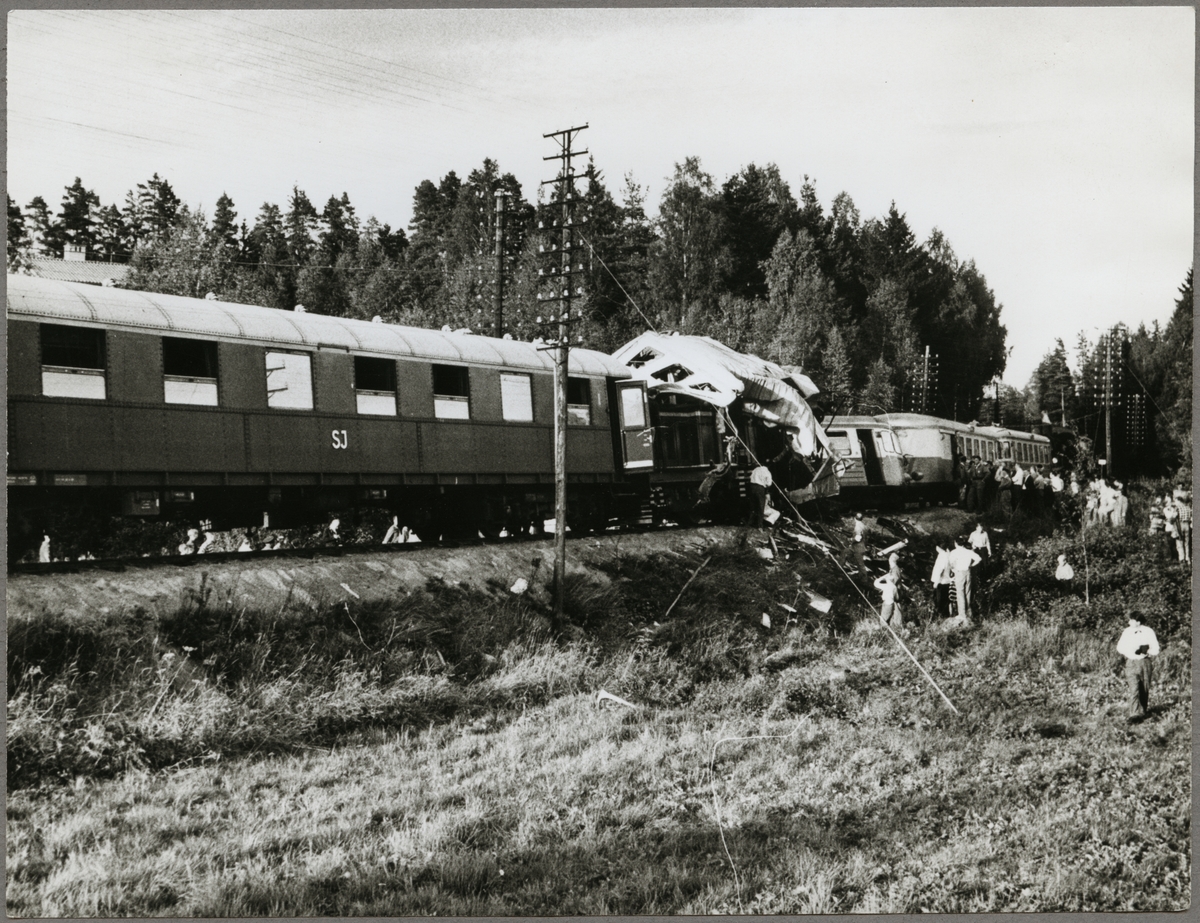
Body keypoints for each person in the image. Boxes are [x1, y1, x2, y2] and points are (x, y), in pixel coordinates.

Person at [1116, 611, 1160, 723]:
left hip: (1145, 662)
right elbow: (1119, 647)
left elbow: (1156, 649)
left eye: (1131, 620)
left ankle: (1142, 712)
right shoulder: (1126, 632)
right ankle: (1134, 715)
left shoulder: (1149, 631)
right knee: (1134, 689)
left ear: (1138, 622)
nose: (1129, 622)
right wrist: (1131, 650)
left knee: (1144, 689)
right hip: (1131, 663)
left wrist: (1146, 650)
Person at [947, 535, 982, 625]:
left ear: (956, 543)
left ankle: (962, 614)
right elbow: (979, 558)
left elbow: (951, 563)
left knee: (960, 593)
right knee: (968, 592)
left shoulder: (954, 552)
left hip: (959, 572)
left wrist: (954, 569)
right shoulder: (968, 551)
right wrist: (971, 565)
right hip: (968, 572)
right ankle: (968, 612)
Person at [745, 464, 773, 529]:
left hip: (751, 487)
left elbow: (750, 478)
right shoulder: (767, 472)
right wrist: (766, 490)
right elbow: (769, 483)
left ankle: (749, 523)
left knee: (752, 506)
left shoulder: (755, 469)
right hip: (760, 488)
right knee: (760, 507)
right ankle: (759, 525)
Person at [930, 543, 952, 620]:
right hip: (945, 581)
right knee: (945, 600)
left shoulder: (943, 556)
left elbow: (941, 570)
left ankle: (941, 617)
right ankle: (944, 616)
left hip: (941, 582)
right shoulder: (947, 554)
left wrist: (936, 581)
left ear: (938, 547)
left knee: (940, 601)